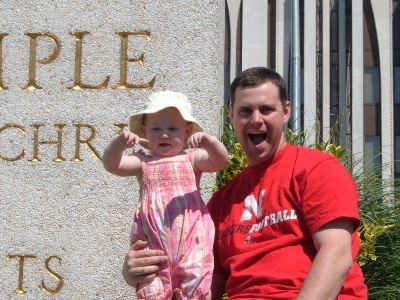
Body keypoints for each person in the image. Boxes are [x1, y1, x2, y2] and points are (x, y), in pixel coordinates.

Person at [121, 68, 368, 299]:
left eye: (267, 109)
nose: (256, 120)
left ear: (286, 112)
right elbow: (203, 285)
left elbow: (336, 255)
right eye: (245, 111)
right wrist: (137, 274)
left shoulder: (316, 168)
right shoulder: (220, 203)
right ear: (231, 115)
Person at [103, 91, 228, 300]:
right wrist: (118, 144)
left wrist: (209, 142)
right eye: (156, 129)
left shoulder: (193, 160)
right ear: (143, 131)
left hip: (190, 238)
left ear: (187, 131)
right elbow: (112, 165)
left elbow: (219, 161)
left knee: (194, 278)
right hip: (155, 239)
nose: (164, 135)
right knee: (153, 280)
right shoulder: (143, 162)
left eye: (172, 129)